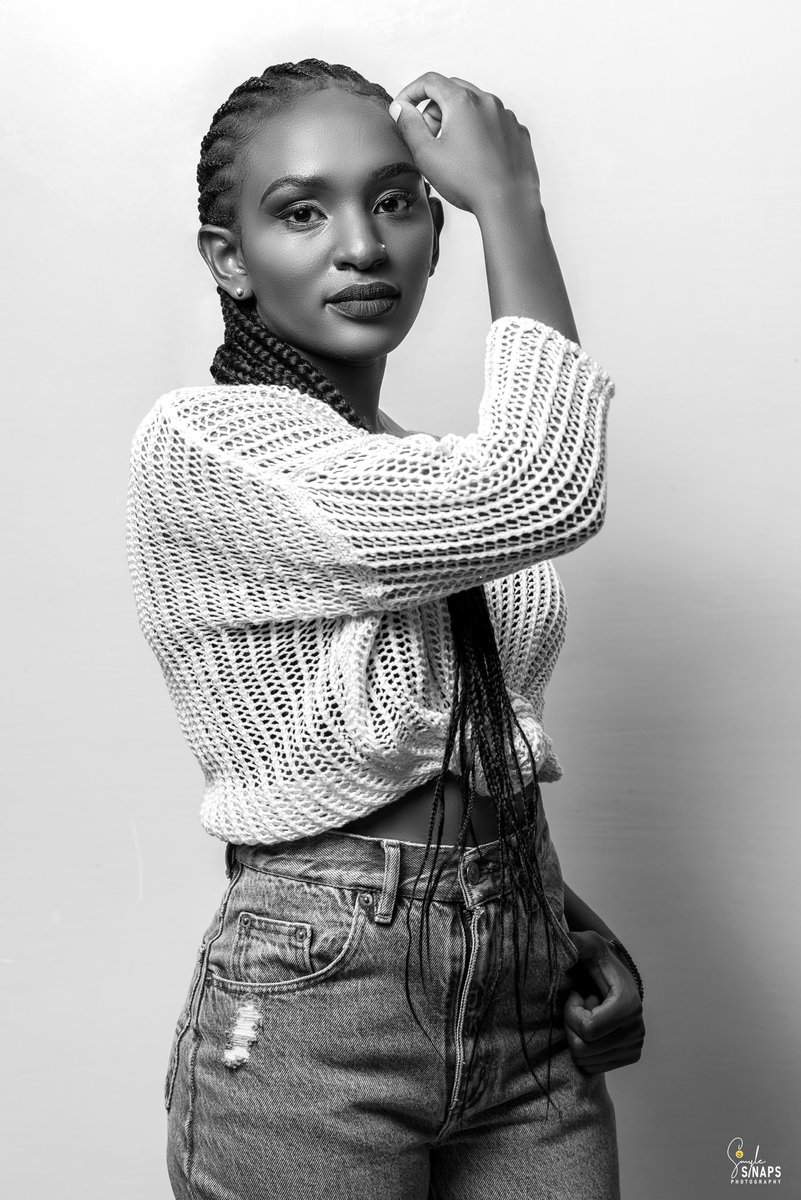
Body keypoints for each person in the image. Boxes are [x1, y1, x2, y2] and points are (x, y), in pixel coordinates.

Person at [126, 58, 645, 1200]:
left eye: (396, 201)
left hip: (527, 1002)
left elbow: (460, 749)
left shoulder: (416, 477)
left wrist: (562, 924)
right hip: (320, 1010)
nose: (361, 245)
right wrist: (511, 198)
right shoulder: (209, 450)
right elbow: (545, 484)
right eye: (301, 212)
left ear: (430, 236)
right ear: (228, 258)